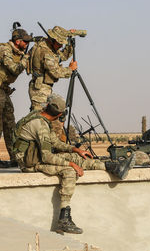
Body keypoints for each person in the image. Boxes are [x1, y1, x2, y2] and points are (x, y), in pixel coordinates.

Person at [13, 94, 135, 234]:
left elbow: (55, 143)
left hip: (35, 157)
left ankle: (113, 167)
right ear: (59, 114)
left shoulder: (41, 117)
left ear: (47, 106)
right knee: (69, 171)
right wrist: (70, 164)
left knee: (76, 157)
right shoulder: (40, 125)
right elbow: (47, 157)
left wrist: (75, 149)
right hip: (30, 164)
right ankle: (64, 219)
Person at [0, 27, 33, 168]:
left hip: (3, 90)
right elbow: (14, 69)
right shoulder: (4, 50)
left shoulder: (15, 51)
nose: (27, 44)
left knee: (10, 124)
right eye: (25, 41)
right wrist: (26, 59)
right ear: (17, 41)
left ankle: (14, 156)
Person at [27, 26, 76, 112]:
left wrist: (70, 44)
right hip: (40, 90)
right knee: (39, 117)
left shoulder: (47, 46)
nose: (61, 46)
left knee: (42, 117)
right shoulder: (46, 51)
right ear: (53, 40)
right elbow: (56, 72)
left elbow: (63, 56)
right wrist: (70, 69)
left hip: (42, 88)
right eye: (59, 43)